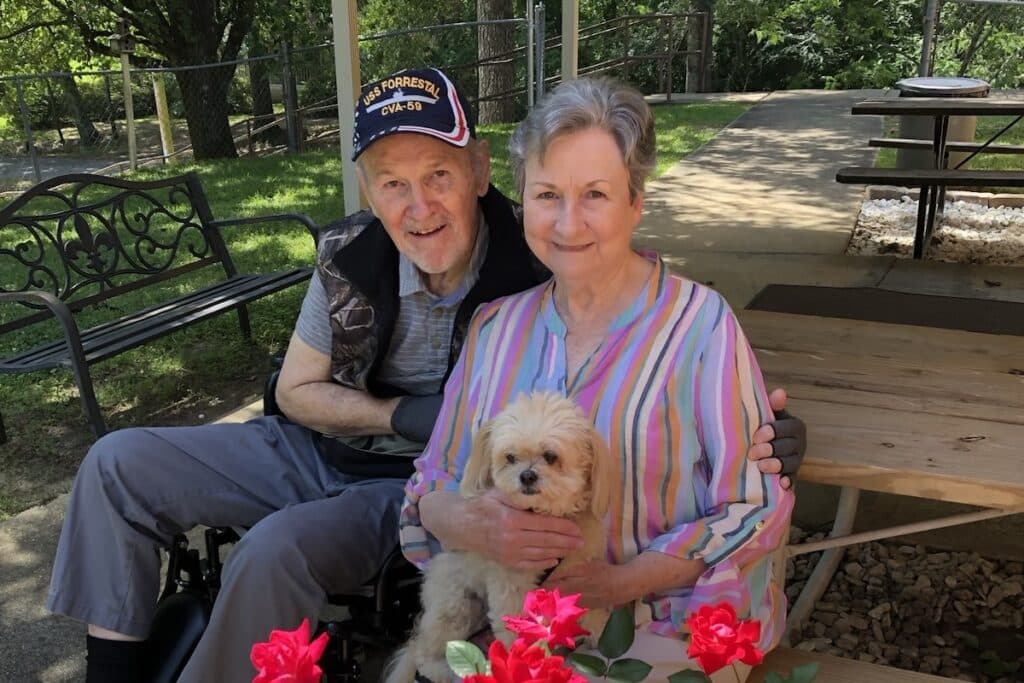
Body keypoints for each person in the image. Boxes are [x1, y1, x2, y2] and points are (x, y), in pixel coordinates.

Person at [47, 68, 802, 683]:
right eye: (391, 182)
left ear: (479, 173)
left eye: (438, 172)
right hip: (345, 466)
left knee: (275, 547)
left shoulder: (561, 275)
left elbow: (729, 464)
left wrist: (767, 434)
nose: (418, 205)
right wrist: (420, 456)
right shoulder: (426, 288)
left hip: (549, 564)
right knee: (116, 460)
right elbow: (359, 435)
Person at [400, 76, 794, 682]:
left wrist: (618, 582)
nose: (567, 223)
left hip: (662, 619)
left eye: (596, 196)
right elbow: (431, 480)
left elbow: (752, 503)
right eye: (548, 194)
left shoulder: (700, 326)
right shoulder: (494, 328)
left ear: (636, 202)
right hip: (515, 615)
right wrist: (471, 522)